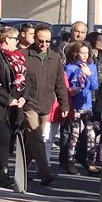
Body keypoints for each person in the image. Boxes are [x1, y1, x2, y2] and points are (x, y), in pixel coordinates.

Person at [0, 26, 27, 188]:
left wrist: (23, 98)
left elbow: (23, 81)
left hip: (15, 105)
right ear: (7, 39)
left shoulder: (17, 57)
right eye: (15, 39)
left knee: (8, 140)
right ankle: (3, 173)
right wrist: (8, 100)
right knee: (3, 138)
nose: (17, 42)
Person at [23, 27, 69, 186]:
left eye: (47, 41)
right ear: (34, 38)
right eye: (40, 40)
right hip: (29, 103)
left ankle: (22, 167)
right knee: (37, 136)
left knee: (33, 140)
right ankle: (45, 173)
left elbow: (60, 84)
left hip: (46, 103)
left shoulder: (55, 57)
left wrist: (64, 105)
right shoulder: (24, 56)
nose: (43, 44)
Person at [61, 41, 100, 176]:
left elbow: (95, 87)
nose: (84, 55)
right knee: (75, 134)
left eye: (86, 53)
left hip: (87, 105)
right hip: (75, 106)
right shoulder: (70, 67)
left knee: (91, 134)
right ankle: (70, 162)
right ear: (76, 53)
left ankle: (91, 163)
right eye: (81, 53)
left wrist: (89, 74)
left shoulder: (92, 66)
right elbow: (65, 86)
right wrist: (71, 91)